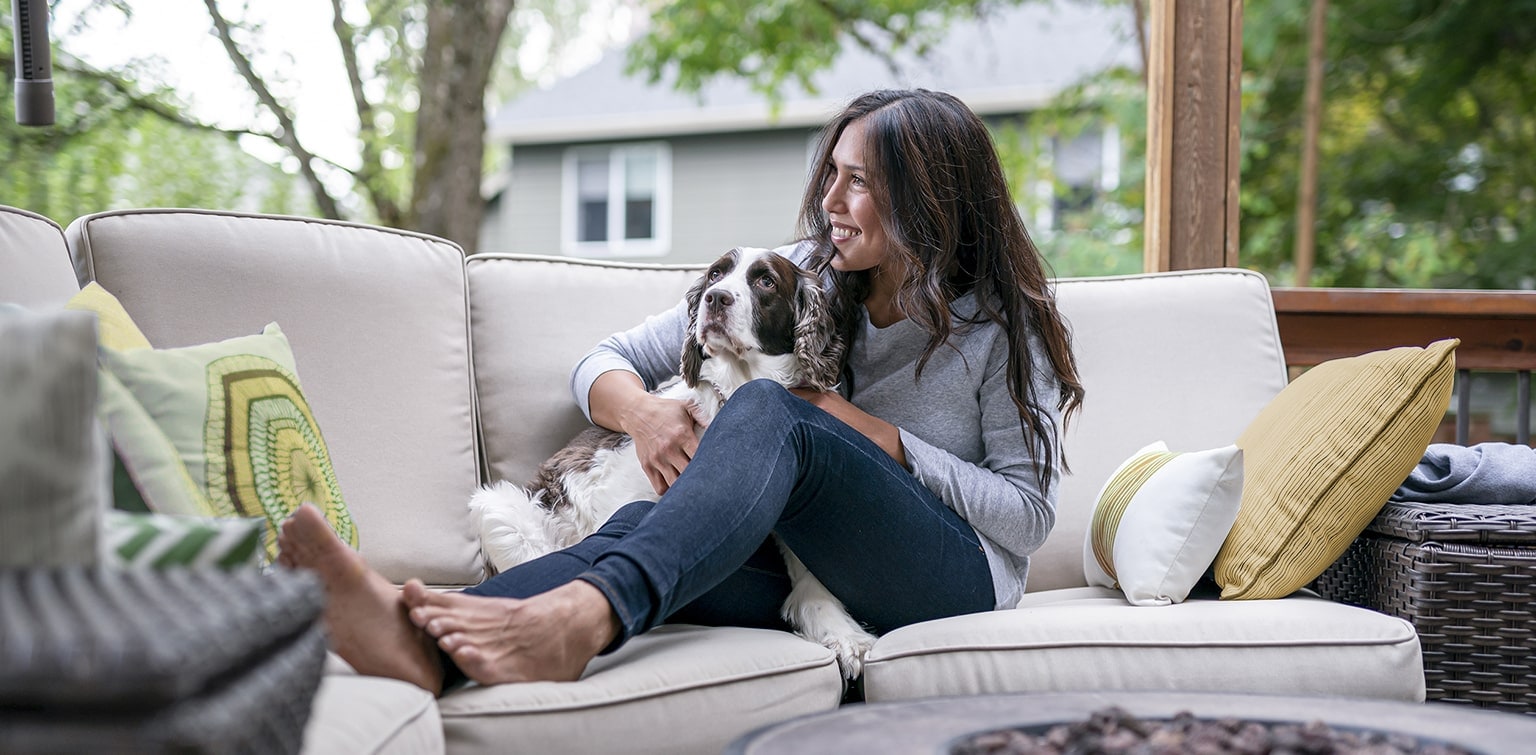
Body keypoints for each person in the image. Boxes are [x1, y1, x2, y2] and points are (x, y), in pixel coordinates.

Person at [277, 88, 1085, 695]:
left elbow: (1027, 514)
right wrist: (645, 413)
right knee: (641, 519)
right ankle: (419, 639)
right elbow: (604, 361)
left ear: (928, 199)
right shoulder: (805, 273)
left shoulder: (1000, 326)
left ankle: (586, 619)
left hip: (949, 578)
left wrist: (880, 437)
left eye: (860, 183)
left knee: (770, 406)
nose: (832, 201)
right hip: (817, 567)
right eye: (831, 174)